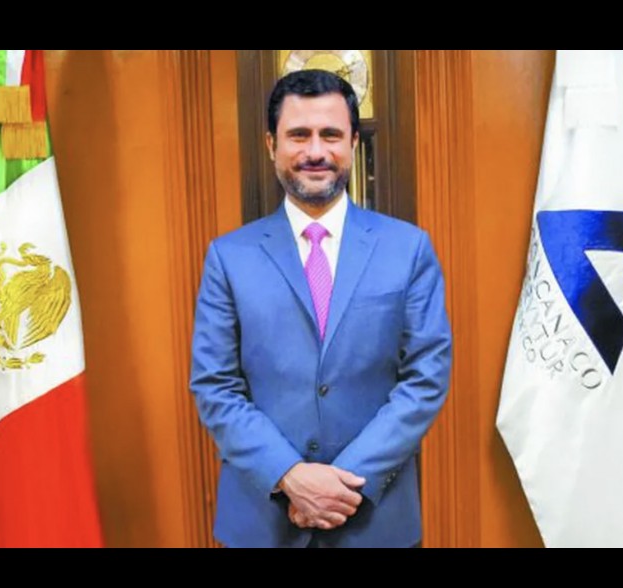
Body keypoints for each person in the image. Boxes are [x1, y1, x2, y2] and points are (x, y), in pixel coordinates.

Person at [190, 69, 452, 548]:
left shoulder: (408, 249)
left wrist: (342, 483)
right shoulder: (228, 258)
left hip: (374, 520)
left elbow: (426, 379)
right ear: (271, 145)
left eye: (330, 134)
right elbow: (215, 385)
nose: (315, 151)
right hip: (264, 522)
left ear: (352, 142)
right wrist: (289, 475)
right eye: (298, 135)